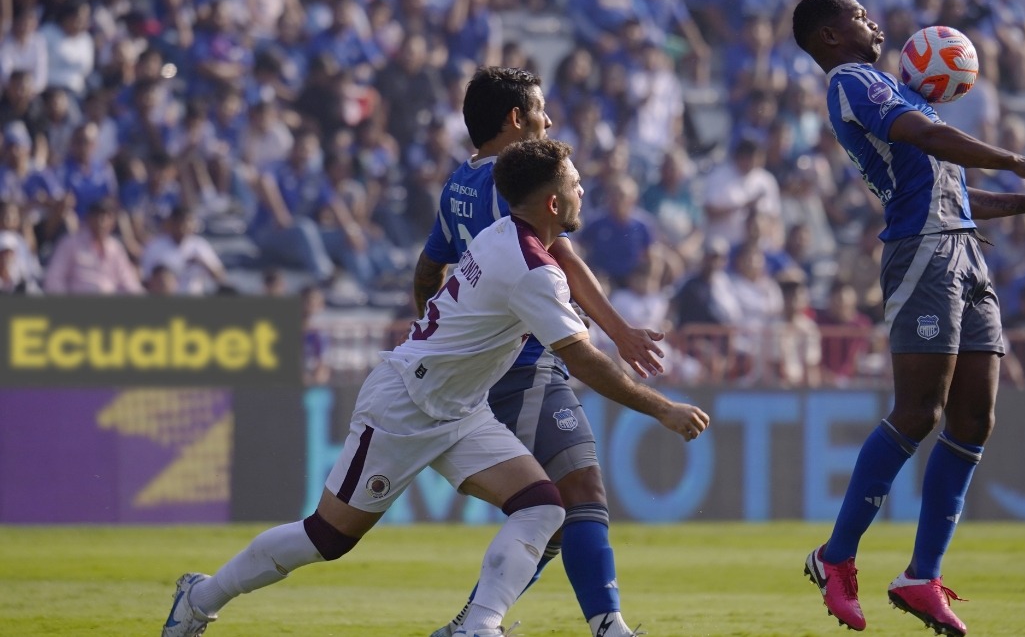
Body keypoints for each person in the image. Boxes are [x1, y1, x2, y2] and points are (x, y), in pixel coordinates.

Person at [161, 138, 710, 637]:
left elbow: (442, 277)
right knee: (327, 537)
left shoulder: (505, 235)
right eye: (574, 182)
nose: (582, 190)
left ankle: (478, 627)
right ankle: (200, 598)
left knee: (545, 509)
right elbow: (584, 361)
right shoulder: (532, 269)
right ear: (551, 202)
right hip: (405, 406)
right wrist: (662, 409)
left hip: (460, 410)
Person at [790, 0, 1025, 637]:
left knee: (974, 417)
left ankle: (920, 576)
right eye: (856, 15)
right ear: (829, 36)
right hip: (922, 253)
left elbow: (946, 181)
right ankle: (835, 556)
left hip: (964, 253)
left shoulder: (900, 93)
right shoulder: (852, 81)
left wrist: (1023, 203)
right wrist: (1014, 160)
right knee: (919, 411)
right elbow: (928, 138)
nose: (872, 20)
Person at [412, 67, 667, 637]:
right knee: (580, 493)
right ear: (515, 118)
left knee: (552, 512)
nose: (548, 121)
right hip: (524, 364)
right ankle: (607, 628)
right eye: (540, 110)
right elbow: (563, 259)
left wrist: (435, 331)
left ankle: (472, 624)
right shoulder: (512, 186)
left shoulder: (458, 184)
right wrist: (620, 331)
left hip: (488, 369)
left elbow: (429, 268)